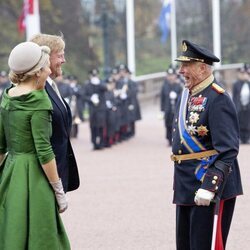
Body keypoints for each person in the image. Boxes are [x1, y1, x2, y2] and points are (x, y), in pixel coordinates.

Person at [171, 40, 243, 250]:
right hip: (185, 185)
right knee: (185, 245)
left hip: (209, 187)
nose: (181, 71)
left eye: (187, 66)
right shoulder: (187, 95)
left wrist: (209, 186)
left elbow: (228, 149)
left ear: (202, 68)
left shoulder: (217, 98)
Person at [0, 42, 70, 249]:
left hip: (11, 173)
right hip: (35, 176)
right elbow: (44, 151)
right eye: (46, 67)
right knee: (42, 234)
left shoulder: (7, 97)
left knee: (12, 228)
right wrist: (58, 189)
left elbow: (1, 146)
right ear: (37, 71)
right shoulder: (39, 100)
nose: (49, 70)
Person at [30, 33, 79, 192]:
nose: (63, 61)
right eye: (60, 56)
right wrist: (55, 184)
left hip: (57, 171)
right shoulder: (38, 90)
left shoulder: (50, 86)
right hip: (45, 177)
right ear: (45, 59)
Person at [160, 66, 183, 146]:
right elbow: (162, 98)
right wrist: (162, 110)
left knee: (176, 125)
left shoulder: (179, 86)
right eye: (169, 75)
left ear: (175, 76)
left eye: (172, 75)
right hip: (168, 109)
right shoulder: (164, 86)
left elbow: (182, 97)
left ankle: (175, 140)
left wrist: (176, 96)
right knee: (167, 125)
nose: (170, 77)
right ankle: (169, 140)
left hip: (176, 109)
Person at [232, 63, 250, 144]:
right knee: (240, 122)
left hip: (248, 107)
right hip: (239, 107)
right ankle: (241, 138)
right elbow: (234, 97)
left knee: (248, 122)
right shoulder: (237, 84)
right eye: (243, 73)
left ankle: (248, 138)